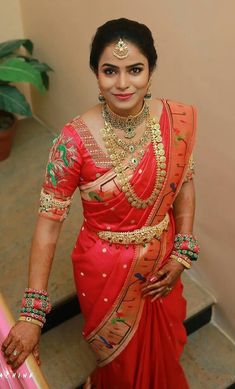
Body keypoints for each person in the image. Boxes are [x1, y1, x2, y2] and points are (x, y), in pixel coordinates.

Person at [1, 18, 199, 389]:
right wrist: (32, 313)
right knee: (121, 364)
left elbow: (185, 180)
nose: (123, 84)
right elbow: (48, 225)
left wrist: (182, 249)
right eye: (110, 70)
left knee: (163, 347)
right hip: (105, 270)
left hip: (162, 259)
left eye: (135, 70)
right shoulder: (72, 141)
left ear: (151, 70)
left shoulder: (177, 121)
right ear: (96, 73)